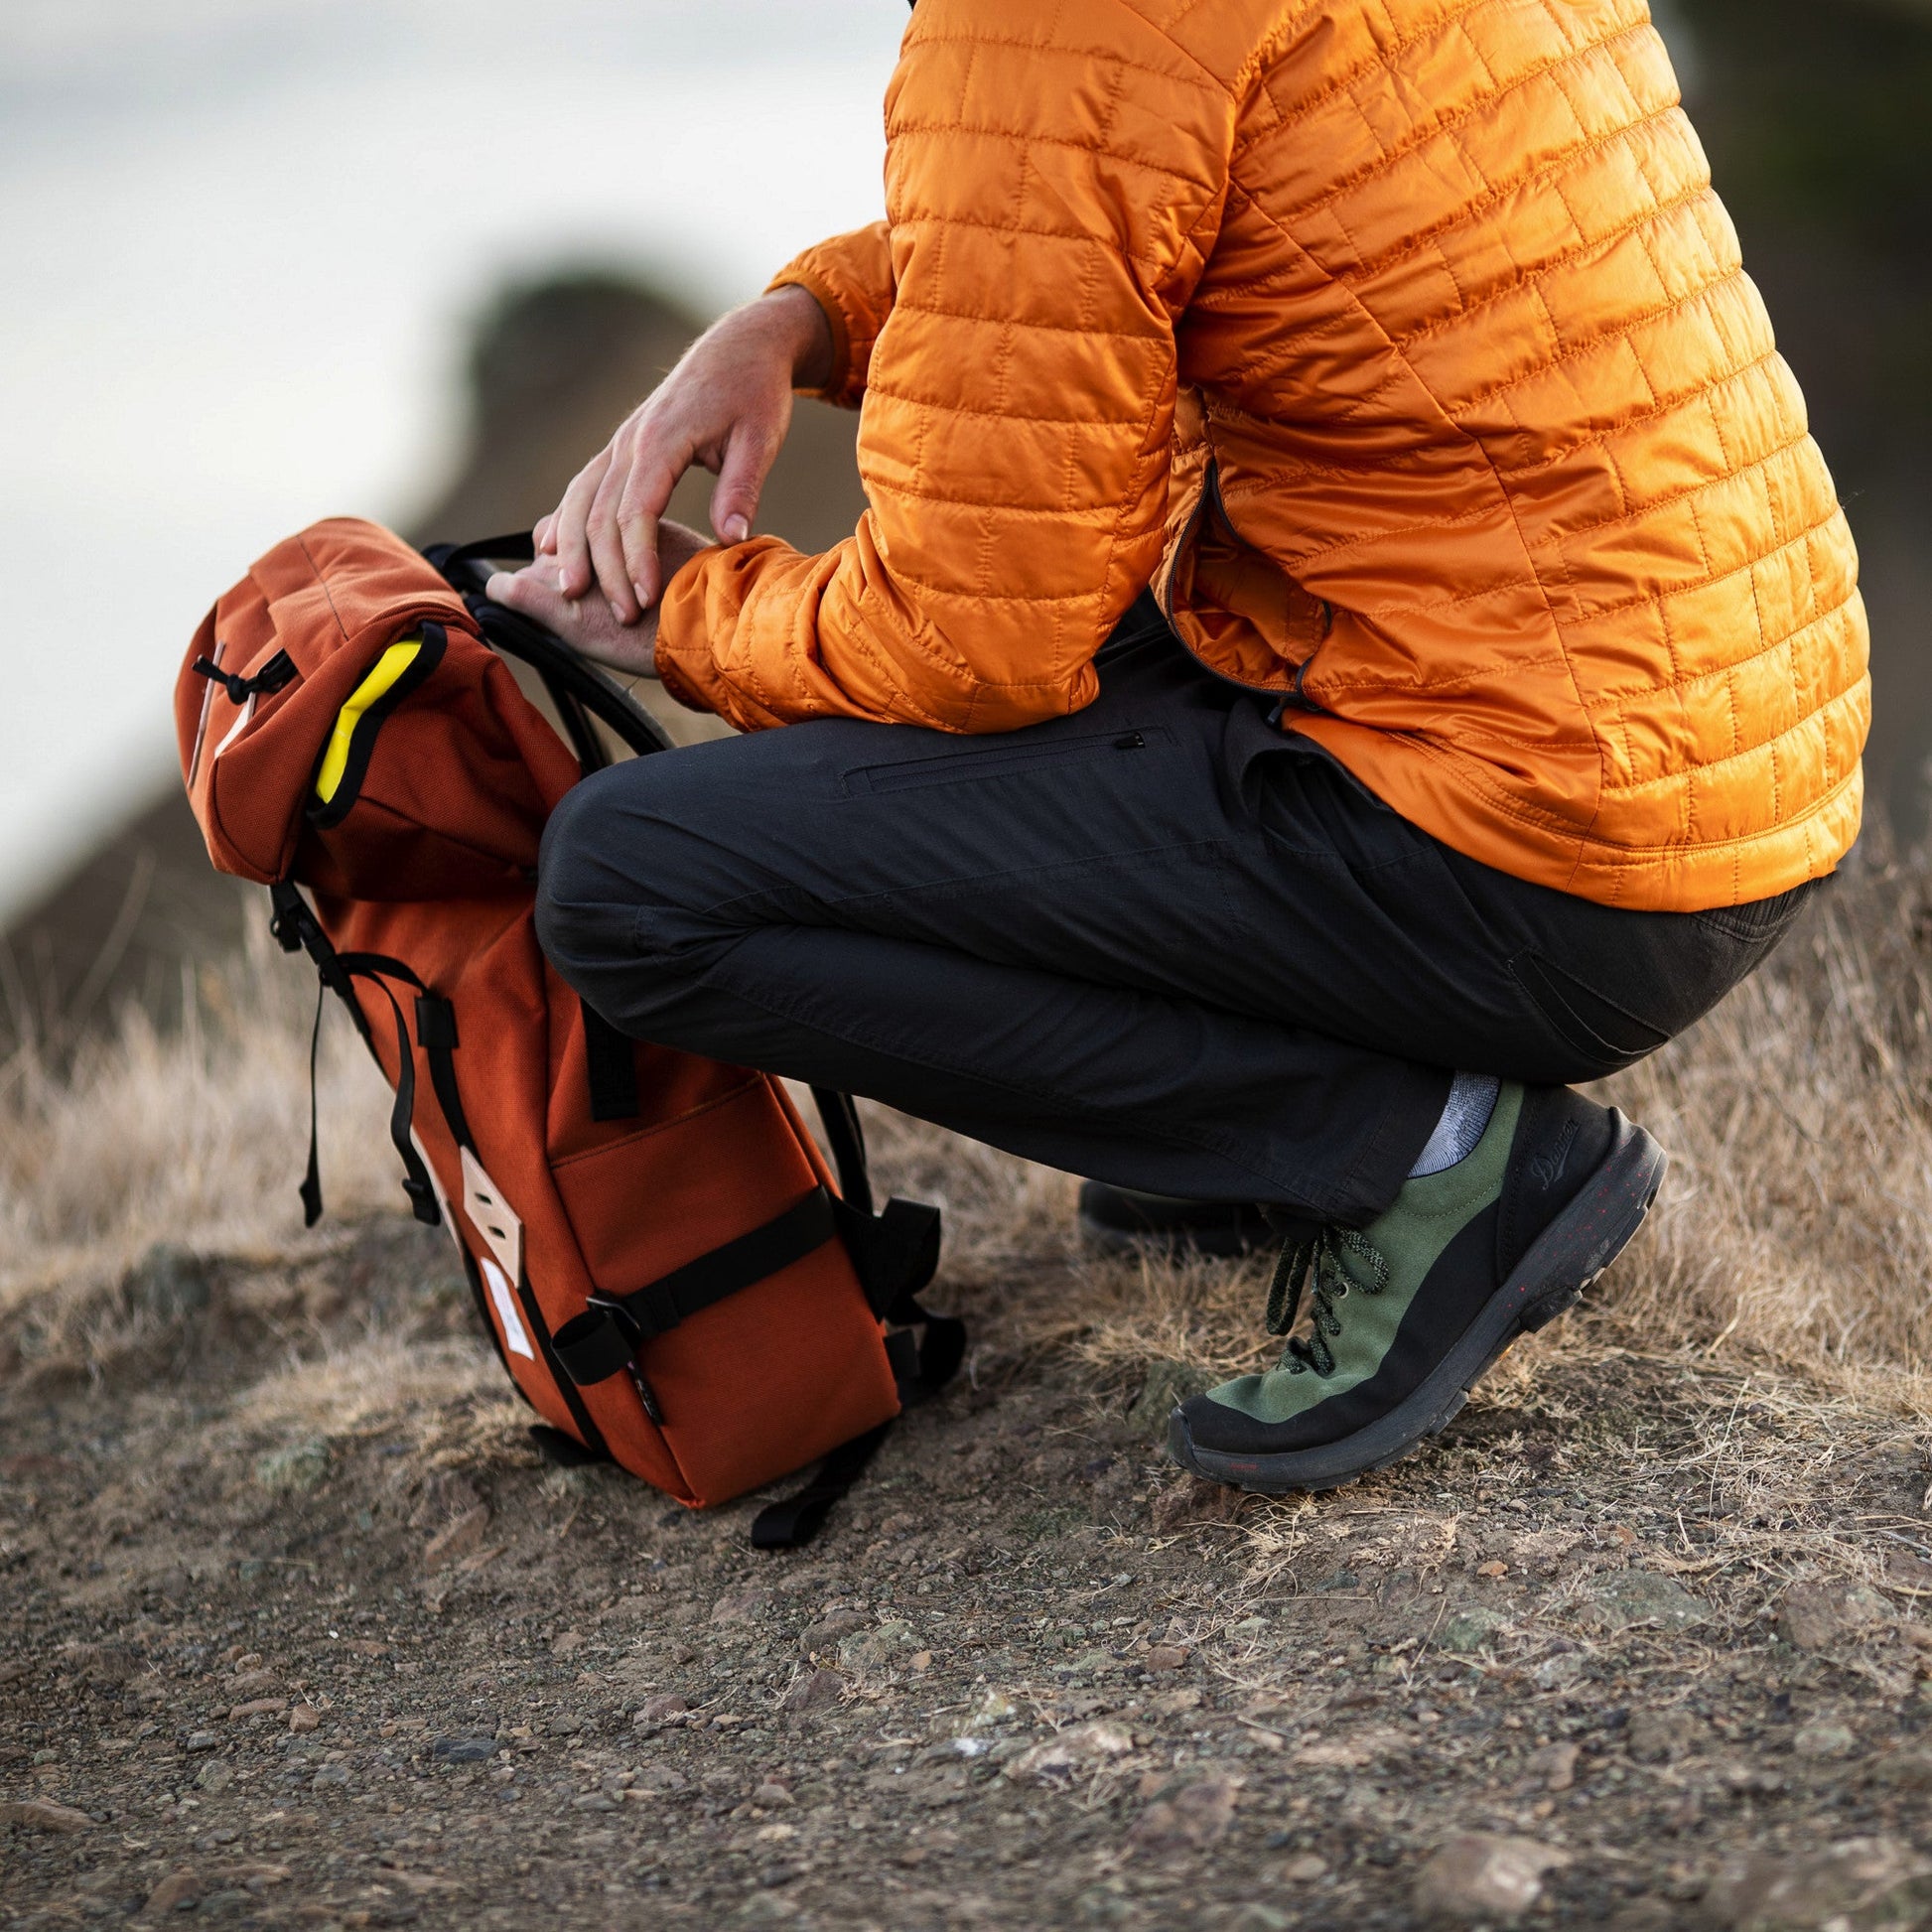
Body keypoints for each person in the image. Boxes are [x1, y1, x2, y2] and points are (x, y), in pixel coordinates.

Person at [489, 0, 1867, 1494]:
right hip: (1726, 751)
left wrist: (696, 615)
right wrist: (800, 321)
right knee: (1116, 606)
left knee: (633, 882)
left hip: (1539, 851)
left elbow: (972, 639)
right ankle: (1256, 1123)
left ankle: (1418, 1152)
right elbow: (1109, 210)